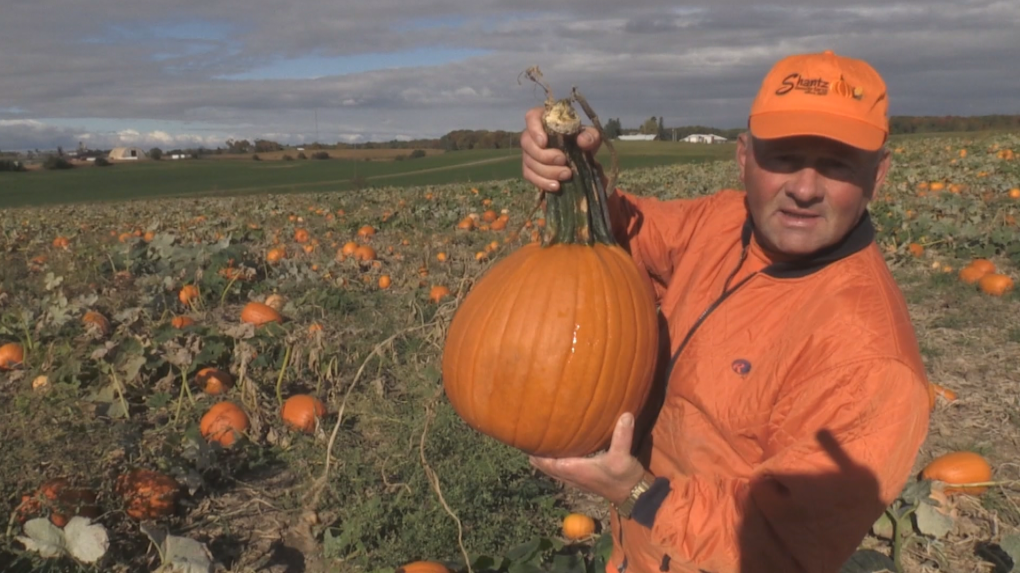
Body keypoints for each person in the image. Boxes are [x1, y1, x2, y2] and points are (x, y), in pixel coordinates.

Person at [521, 50, 931, 573]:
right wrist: (568, 171)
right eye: (782, 157)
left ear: (878, 175)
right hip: (635, 552)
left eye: (836, 164)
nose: (804, 189)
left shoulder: (868, 362)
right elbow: (627, 233)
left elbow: (781, 547)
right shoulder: (721, 221)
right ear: (744, 157)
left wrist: (639, 493)